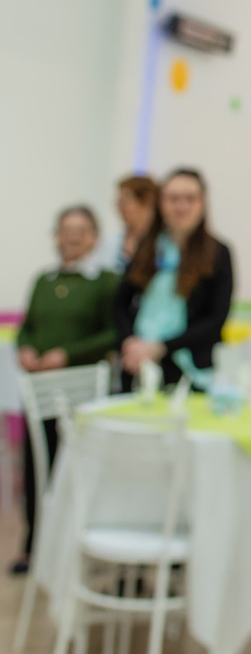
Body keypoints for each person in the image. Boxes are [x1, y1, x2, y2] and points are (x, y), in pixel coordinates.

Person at [13, 205, 120, 573]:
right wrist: (25, 348)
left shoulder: (106, 282)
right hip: (39, 389)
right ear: (56, 235)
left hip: (81, 393)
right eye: (65, 229)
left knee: (72, 468)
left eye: (80, 230)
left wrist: (67, 354)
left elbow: (113, 333)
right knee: (35, 467)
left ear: (94, 237)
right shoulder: (43, 280)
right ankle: (32, 546)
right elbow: (27, 326)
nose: (72, 236)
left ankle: (71, 549)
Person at [115, 167, 234, 391]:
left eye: (190, 198)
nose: (182, 206)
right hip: (137, 365)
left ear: (203, 203)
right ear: (161, 202)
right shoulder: (147, 247)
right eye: (173, 198)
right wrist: (131, 342)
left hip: (188, 371)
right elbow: (120, 304)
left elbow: (216, 319)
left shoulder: (218, 253)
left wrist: (160, 347)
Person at [97, 174, 158, 272]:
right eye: (118, 201)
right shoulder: (109, 242)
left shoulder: (165, 242)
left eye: (125, 201)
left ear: (147, 200)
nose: (119, 206)